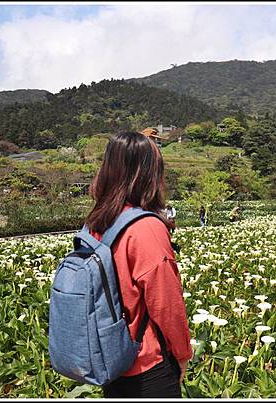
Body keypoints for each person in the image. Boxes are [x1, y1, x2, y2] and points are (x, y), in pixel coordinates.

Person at [85, 131, 192, 398]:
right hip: (146, 365)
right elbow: (166, 304)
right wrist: (182, 355)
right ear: (149, 174)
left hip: (110, 357)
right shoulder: (145, 228)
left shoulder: (95, 224)